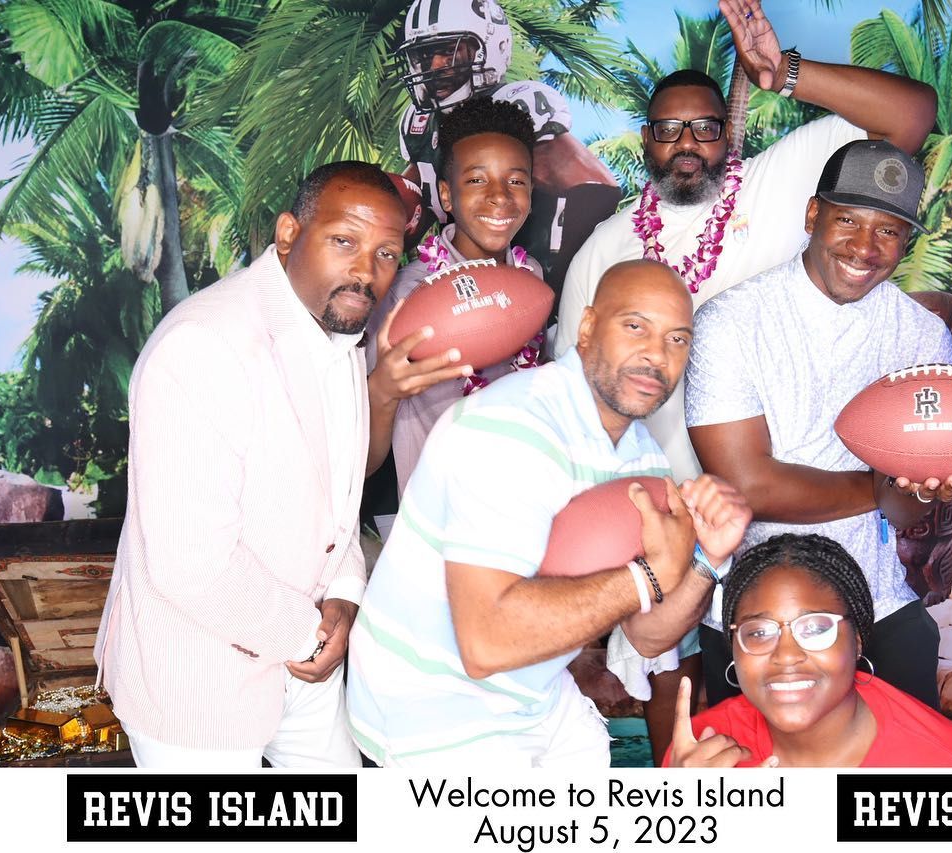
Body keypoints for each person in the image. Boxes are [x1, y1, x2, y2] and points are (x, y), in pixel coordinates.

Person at [552, 0, 936, 751]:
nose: (688, 143)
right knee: (687, 723)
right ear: (645, 143)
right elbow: (576, 397)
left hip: (801, 534)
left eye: (705, 127)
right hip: (665, 515)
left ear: (728, 136)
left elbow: (911, 116)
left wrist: (783, 71)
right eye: (668, 130)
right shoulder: (606, 247)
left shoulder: (776, 182)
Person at [346, 260, 751, 769]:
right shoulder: (511, 428)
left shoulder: (643, 455)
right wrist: (647, 577)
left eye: (677, 340)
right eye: (635, 327)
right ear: (585, 328)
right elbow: (486, 644)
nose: (656, 356)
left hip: (534, 694)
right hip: (428, 703)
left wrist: (706, 563)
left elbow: (648, 637)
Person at [95, 162, 409, 768]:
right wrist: (306, 633)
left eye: (386, 254)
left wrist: (344, 594)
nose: (366, 272)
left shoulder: (340, 331)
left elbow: (335, 498)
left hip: (306, 660)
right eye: (344, 241)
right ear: (289, 233)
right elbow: (189, 564)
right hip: (195, 678)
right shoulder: (204, 344)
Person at [685, 140, 952, 710]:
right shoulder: (731, 321)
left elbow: (903, 510)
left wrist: (927, 485)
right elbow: (747, 488)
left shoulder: (923, 335)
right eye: (848, 219)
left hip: (878, 605)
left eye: (889, 230)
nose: (865, 247)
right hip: (754, 612)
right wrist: (880, 484)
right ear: (812, 215)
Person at [665, 534, 952, 768]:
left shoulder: (945, 764)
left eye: (816, 628)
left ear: (858, 639)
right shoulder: (697, 758)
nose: (786, 655)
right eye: (760, 632)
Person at [364, 96, 545, 488]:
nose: (499, 196)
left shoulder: (532, 277)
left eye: (515, 181)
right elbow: (360, 441)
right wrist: (381, 389)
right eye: (477, 180)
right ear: (446, 196)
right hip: (437, 519)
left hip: (520, 502)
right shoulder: (407, 295)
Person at [395, 0, 620, 291]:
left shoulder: (516, 105)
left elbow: (596, 188)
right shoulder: (422, 125)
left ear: (490, 45)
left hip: (534, 281)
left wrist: (560, 280)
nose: (434, 66)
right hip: (465, 285)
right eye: (424, 55)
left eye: (448, 51)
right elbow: (404, 212)